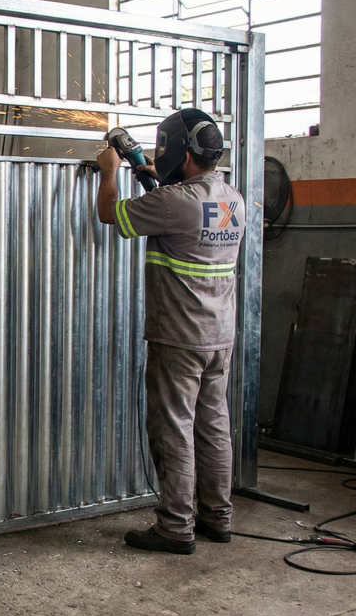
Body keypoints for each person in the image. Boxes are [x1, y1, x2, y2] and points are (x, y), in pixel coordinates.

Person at [95, 108, 246, 555]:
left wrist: (109, 172)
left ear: (183, 153)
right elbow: (189, 219)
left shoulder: (173, 202)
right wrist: (156, 181)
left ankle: (176, 526)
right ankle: (217, 517)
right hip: (219, 335)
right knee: (213, 426)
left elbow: (109, 214)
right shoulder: (232, 198)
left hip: (179, 336)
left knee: (174, 427)